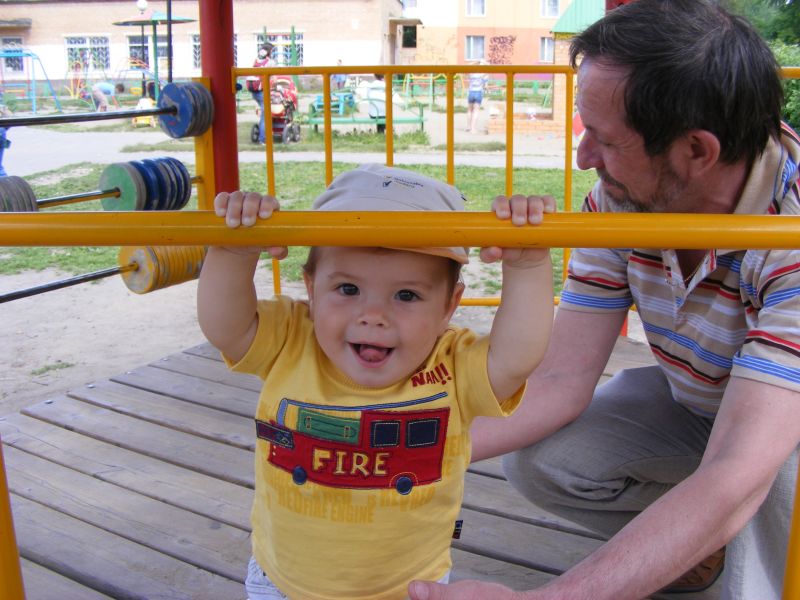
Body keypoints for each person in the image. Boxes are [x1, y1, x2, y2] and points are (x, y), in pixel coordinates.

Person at [408, 1, 800, 599]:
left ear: (698, 151)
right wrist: (413, 454)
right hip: (705, 406)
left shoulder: (790, 233)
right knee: (547, 459)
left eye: (605, 139)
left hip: (779, 427)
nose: (583, 156)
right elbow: (560, 379)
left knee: (772, 474)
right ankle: (701, 548)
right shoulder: (625, 198)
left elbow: (737, 468)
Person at [197, 163, 555, 599]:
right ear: (312, 288)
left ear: (448, 306)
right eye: (348, 289)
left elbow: (518, 356)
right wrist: (232, 253)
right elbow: (225, 326)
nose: (373, 316)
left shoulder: (452, 365)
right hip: (283, 580)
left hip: (406, 587)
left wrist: (528, 266)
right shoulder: (291, 338)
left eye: (406, 295)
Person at [247, 43, 276, 145]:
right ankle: (263, 139)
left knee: (264, 113)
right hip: (261, 91)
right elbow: (273, 78)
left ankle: (261, 135)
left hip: (254, 91)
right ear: (269, 51)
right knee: (265, 115)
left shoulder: (256, 60)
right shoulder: (270, 62)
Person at [466, 61, 488, 134]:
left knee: (469, 110)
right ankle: (473, 129)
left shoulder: (471, 73)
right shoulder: (484, 74)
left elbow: (467, 65)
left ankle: (468, 127)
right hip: (478, 92)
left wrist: (476, 62)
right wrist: (483, 62)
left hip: (471, 92)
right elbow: (489, 66)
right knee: (476, 111)